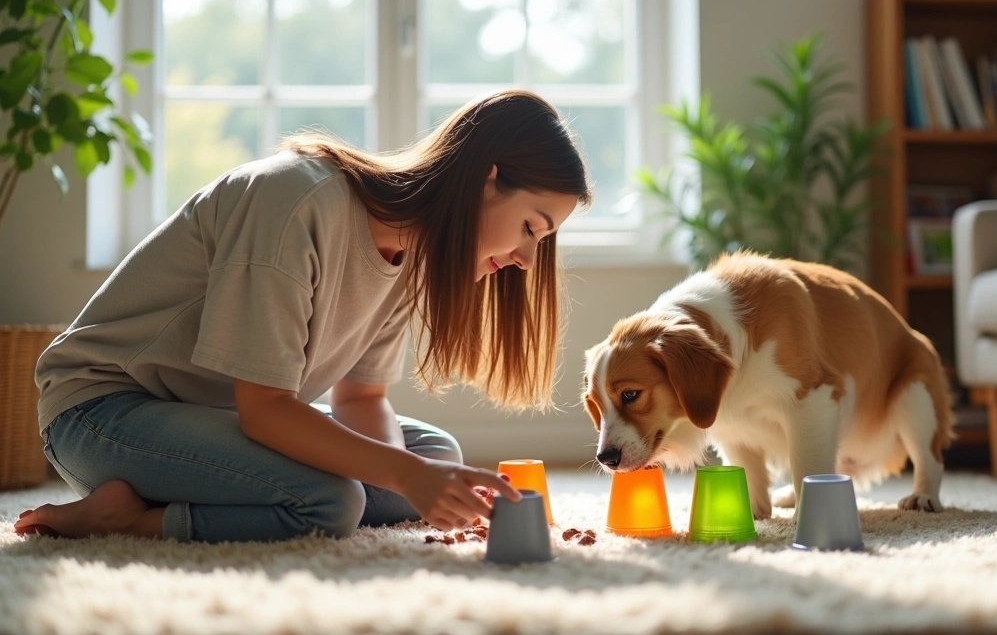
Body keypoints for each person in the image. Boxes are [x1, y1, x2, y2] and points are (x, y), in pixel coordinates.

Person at [14, 90, 591, 543]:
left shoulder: (410, 256)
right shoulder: (293, 201)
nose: (524, 260)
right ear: (486, 179)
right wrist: (397, 479)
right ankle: (127, 521)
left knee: (437, 456)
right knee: (331, 501)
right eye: (531, 228)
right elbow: (265, 411)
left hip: (222, 414)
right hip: (103, 411)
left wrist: (408, 476)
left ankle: (197, 497)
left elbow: (362, 401)